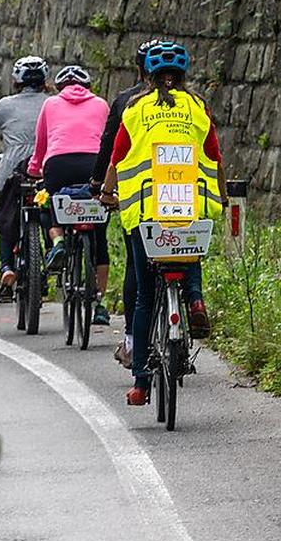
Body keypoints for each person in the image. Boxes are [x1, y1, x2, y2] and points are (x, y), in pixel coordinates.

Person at [97, 42, 225, 406]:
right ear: (183, 76)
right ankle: (195, 300)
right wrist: (222, 195)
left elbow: (118, 156)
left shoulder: (136, 108)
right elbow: (214, 156)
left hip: (146, 212)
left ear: (147, 76)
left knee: (144, 296)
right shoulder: (198, 107)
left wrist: (108, 191)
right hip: (188, 206)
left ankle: (140, 383)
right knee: (188, 245)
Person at [91, 39, 163, 366]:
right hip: (184, 199)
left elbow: (111, 149)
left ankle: (134, 341)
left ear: (139, 68)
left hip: (137, 201)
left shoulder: (126, 103)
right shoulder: (191, 104)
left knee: (138, 271)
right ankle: (192, 301)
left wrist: (100, 186)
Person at [27, 65, 112, 324]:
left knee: (54, 208)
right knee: (99, 233)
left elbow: (41, 143)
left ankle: (59, 243)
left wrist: (34, 169)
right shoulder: (101, 104)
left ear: (60, 87)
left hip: (58, 164)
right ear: (88, 87)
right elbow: (108, 139)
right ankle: (99, 302)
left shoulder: (51, 105)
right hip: (93, 163)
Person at [0, 56, 51, 302]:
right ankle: (50, 257)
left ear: (16, 80)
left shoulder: (4, 105)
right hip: (44, 168)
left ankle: (6, 267)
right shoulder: (52, 103)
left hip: (12, 172)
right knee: (49, 212)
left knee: (6, 220)